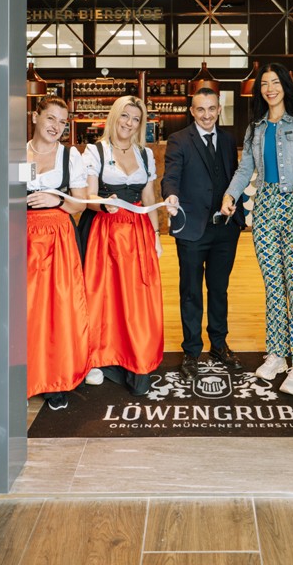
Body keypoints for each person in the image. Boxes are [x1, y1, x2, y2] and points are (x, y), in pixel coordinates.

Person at [220, 63, 293, 397]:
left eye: (275, 82)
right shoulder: (255, 128)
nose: (270, 88)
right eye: (264, 83)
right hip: (264, 208)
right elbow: (244, 169)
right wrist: (230, 195)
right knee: (274, 286)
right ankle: (277, 354)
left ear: (285, 85)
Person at [81, 95, 163, 396]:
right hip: (106, 230)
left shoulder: (145, 154)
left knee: (137, 297)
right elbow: (88, 197)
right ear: (114, 116)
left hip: (138, 230)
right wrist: (104, 203)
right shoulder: (96, 151)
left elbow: (149, 197)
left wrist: (156, 235)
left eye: (136, 119)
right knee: (103, 295)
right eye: (125, 116)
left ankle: (134, 355)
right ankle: (98, 359)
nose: (129, 123)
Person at [162, 86, 245, 379]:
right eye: (200, 109)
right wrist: (171, 195)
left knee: (219, 289)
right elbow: (171, 175)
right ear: (192, 111)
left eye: (211, 109)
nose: (206, 115)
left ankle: (219, 345)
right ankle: (192, 350)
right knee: (191, 292)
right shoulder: (179, 140)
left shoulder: (228, 139)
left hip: (225, 228)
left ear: (219, 109)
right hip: (192, 229)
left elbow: (234, 176)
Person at [26, 96, 89, 411]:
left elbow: (81, 203)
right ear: (35, 117)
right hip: (23, 237)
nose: (56, 126)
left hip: (59, 238)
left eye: (62, 122)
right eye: (51, 118)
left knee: (58, 307)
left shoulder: (70, 156)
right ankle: (23, 378)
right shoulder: (17, 153)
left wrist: (58, 200)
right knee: (24, 308)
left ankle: (55, 380)